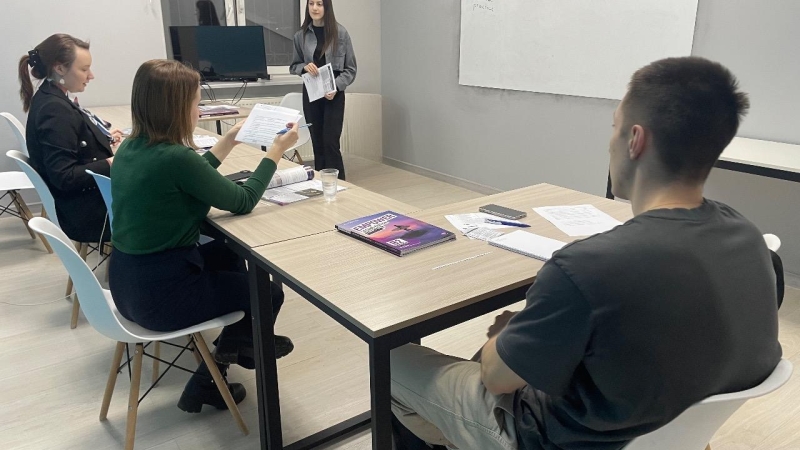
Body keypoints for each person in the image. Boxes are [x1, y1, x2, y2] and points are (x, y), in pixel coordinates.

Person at [390, 56, 782, 450]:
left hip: (551, 438)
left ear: (636, 140)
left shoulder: (588, 268)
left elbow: (496, 379)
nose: (610, 142)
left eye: (614, 126)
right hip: (667, 432)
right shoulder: (750, 239)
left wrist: (506, 332)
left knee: (392, 361)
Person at [108, 60, 299, 412]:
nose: (200, 110)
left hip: (127, 283)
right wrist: (275, 152)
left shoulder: (130, 149)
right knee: (267, 292)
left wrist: (228, 140)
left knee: (228, 253)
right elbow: (243, 200)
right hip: (161, 298)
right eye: (197, 102)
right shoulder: (176, 158)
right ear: (177, 108)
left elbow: (190, 175)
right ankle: (223, 364)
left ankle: (236, 347)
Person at [19, 34, 123, 243]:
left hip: (81, 204)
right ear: (59, 68)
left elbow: (71, 140)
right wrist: (112, 162)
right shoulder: (54, 110)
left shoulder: (50, 97)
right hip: (88, 214)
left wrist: (100, 137)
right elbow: (65, 177)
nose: (91, 75)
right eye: (84, 69)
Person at [290, 0, 357, 180]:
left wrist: (336, 86)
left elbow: (351, 69)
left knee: (330, 141)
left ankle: (339, 183)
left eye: (319, 4)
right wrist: (304, 67)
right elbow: (294, 66)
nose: (315, 8)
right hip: (311, 94)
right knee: (317, 141)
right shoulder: (300, 36)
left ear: (326, 7)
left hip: (334, 94)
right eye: (311, 3)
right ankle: (320, 184)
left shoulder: (340, 33)